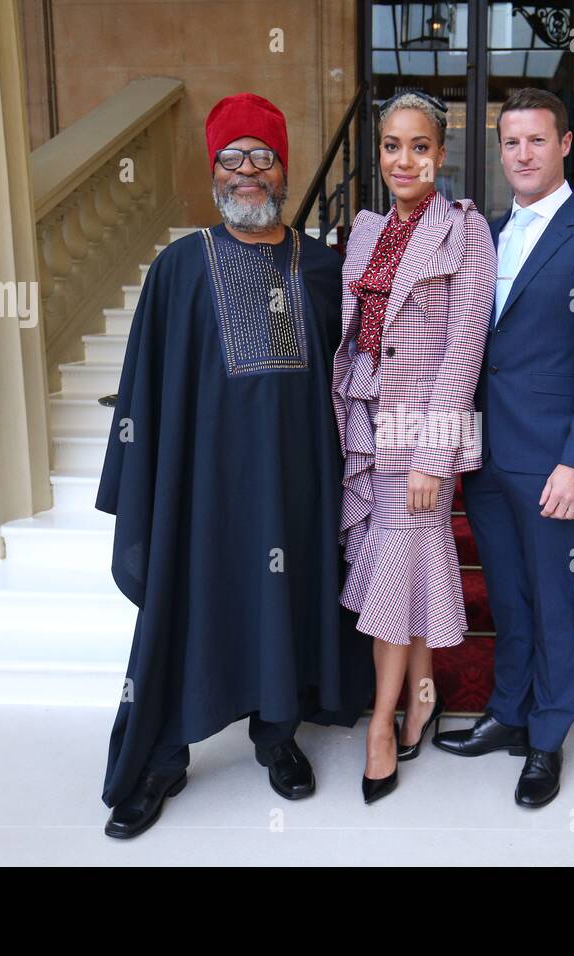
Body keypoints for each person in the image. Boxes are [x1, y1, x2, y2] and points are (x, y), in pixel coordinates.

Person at [96, 92, 371, 838]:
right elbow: (147, 385)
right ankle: (163, 755)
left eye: (264, 158)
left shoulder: (323, 267)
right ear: (214, 171)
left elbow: (354, 377)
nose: (248, 172)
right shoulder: (180, 269)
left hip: (294, 484)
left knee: (285, 605)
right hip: (202, 489)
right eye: (233, 158)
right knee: (190, 607)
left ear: (285, 170)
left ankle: (276, 735)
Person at [432, 88, 574, 809]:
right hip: (484, 452)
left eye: (536, 141)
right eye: (510, 142)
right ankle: (509, 711)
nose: (522, 154)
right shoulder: (484, 232)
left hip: (552, 458)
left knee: (553, 600)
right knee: (511, 598)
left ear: (566, 146)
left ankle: (547, 739)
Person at [333, 90, 495, 804]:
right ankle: (422, 697)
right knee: (399, 573)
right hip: (368, 419)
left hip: (422, 429)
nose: (406, 159)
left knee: (396, 573)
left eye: (420, 146)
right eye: (393, 146)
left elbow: (464, 351)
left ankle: (380, 725)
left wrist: (435, 455)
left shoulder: (466, 233)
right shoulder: (365, 231)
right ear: (380, 153)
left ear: (442, 151)